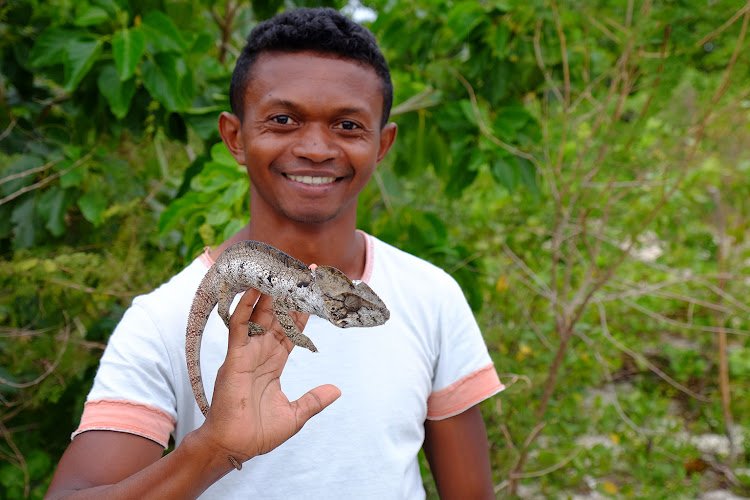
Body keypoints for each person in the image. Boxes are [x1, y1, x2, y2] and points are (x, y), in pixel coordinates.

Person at [46, 7, 503, 499]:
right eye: (283, 120)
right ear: (235, 138)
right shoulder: (161, 319)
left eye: (348, 125)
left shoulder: (431, 296)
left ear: (382, 144)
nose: (314, 148)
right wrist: (211, 450)